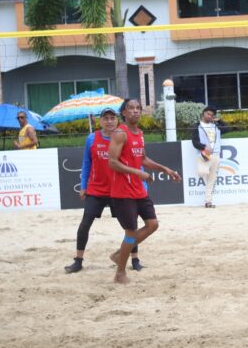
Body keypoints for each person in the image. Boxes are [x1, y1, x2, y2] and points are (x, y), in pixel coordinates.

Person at [107, 99, 181, 284]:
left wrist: (166, 169)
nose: (136, 111)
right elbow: (112, 162)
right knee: (130, 233)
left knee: (153, 224)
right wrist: (137, 172)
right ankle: (120, 273)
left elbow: (144, 159)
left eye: (138, 108)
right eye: (131, 108)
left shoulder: (139, 133)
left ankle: (119, 254)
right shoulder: (119, 133)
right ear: (123, 113)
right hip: (123, 192)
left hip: (138, 190)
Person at [64, 108, 143, 274]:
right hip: (96, 189)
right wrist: (83, 186)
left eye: (112, 118)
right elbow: (87, 163)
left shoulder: (123, 136)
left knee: (131, 226)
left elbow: (135, 162)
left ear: (117, 120)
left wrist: (140, 184)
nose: (109, 121)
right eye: (106, 118)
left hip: (119, 189)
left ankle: (135, 259)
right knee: (85, 224)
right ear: (100, 121)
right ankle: (78, 260)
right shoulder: (91, 139)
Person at [191, 105, 228, 208]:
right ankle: (208, 199)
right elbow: (194, 142)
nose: (209, 116)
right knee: (202, 173)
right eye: (208, 114)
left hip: (215, 155)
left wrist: (219, 121)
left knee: (211, 180)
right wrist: (203, 146)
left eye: (212, 115)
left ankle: (208, 202)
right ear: (203, 113)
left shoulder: (216, 126)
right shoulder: (197, 126)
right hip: (204, 154)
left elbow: (227, 129)